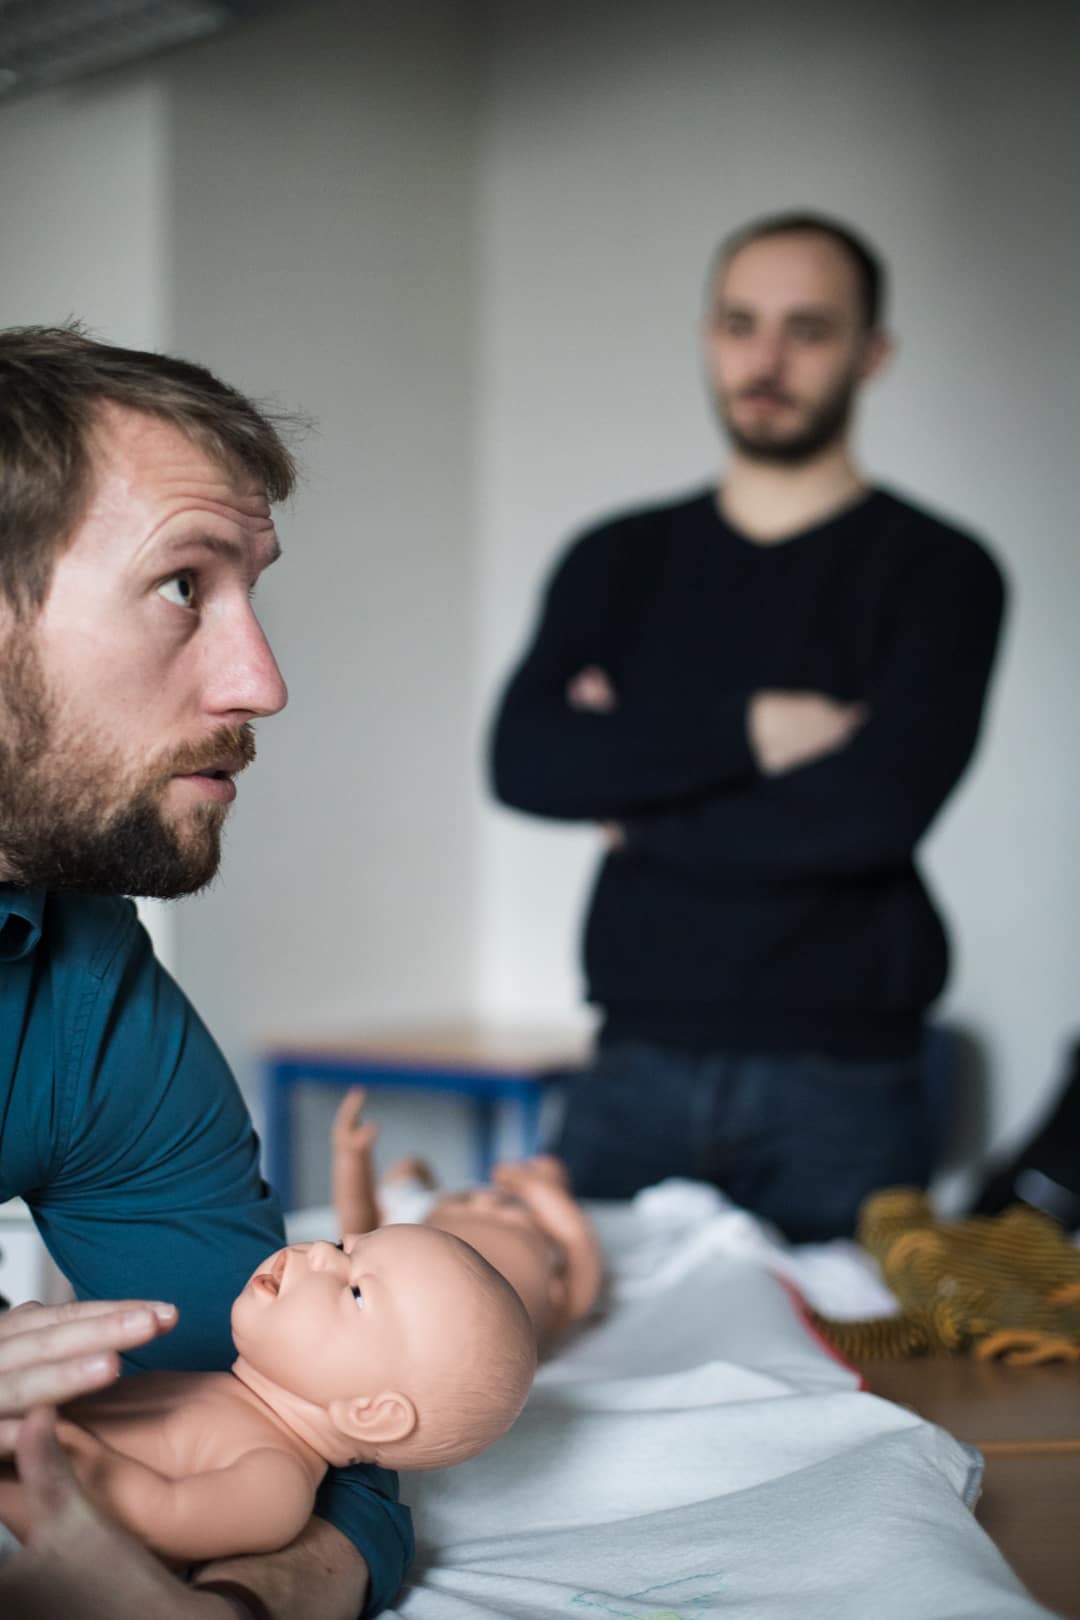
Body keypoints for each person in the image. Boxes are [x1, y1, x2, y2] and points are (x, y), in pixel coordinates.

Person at [489, 213, 1007, 1242]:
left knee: (860, 1386)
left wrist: (636, 806)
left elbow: (869, 817)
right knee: (581, 1375)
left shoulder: (941, 572)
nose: (765, 360)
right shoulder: (616, 558)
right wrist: (753, 730)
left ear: (873, 354)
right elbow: (526, 761)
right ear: (708, 335)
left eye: (808, 330)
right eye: (741, 324)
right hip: (629, 1063)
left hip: (844, 1085)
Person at [0, 325, 410, 1619]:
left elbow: (289, 1404)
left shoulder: (84, 985)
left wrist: (245, 1601)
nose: (263, 681)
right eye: (185, 584)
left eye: (252, 591)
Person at [0, 1227, 536, 1562]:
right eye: (342, 1245)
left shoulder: (277, 1485)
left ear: (373, 1413)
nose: (316, 1254)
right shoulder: (218, 1389)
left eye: (355, 1291)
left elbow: (156, 1520)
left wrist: (51, 1439)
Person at [330, 1089, 604, 1353]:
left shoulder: (550, 1305)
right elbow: (575, 1236)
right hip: (415, 1229)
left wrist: (351, 1159)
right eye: (464, 1201)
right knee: (408, 1170)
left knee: (407, 1173)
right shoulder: (410, 1231)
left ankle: (418, 1180)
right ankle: (419, 1180)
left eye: (508, 1208)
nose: (485, 1201)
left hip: (420, 1233)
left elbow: (575, 1239)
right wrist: (353, 1156)